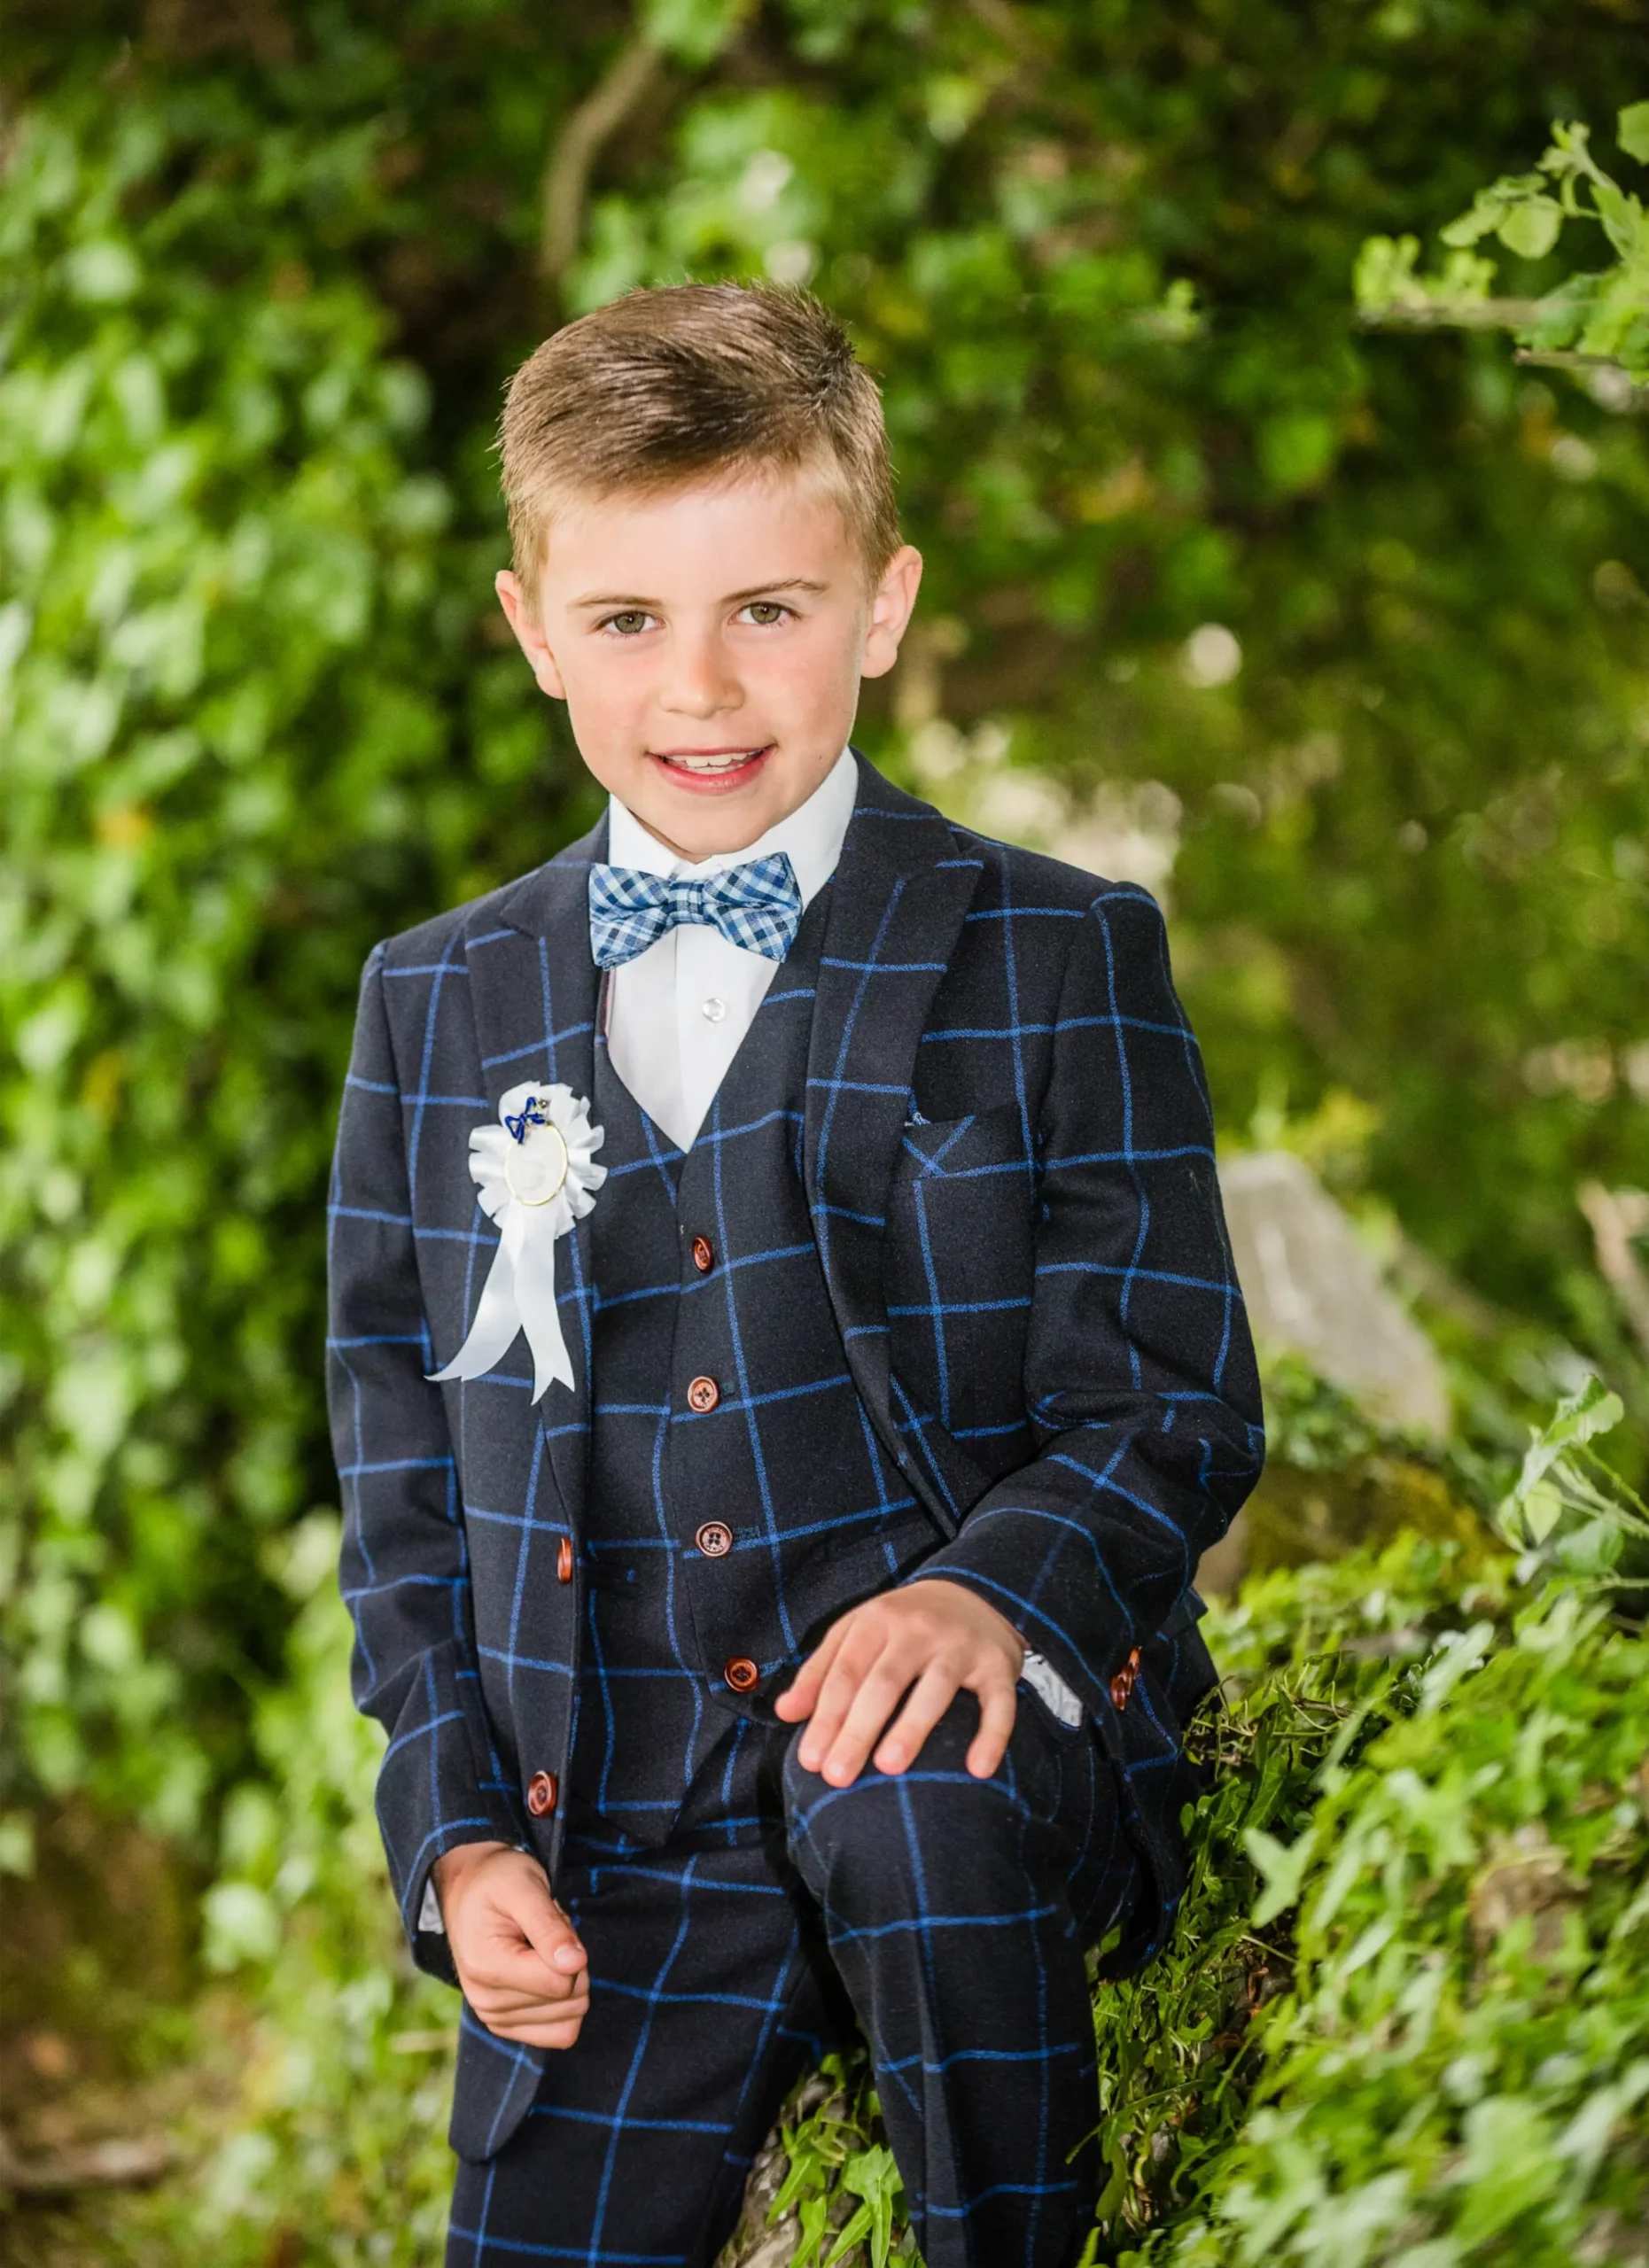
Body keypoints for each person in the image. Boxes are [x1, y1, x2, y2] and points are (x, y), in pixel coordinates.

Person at [327, 280, 1263, 2268]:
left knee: (914, 1817)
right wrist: (459, 1833)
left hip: (970, 1776)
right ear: (530, 630)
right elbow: (403, 1484)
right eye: (626, 620)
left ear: (885, 605)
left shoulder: (1055, 951)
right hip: (627, 1834)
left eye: (768, 607)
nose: (702, 688)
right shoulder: (434, 1001)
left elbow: (1170, 1401)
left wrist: (988, 1593)